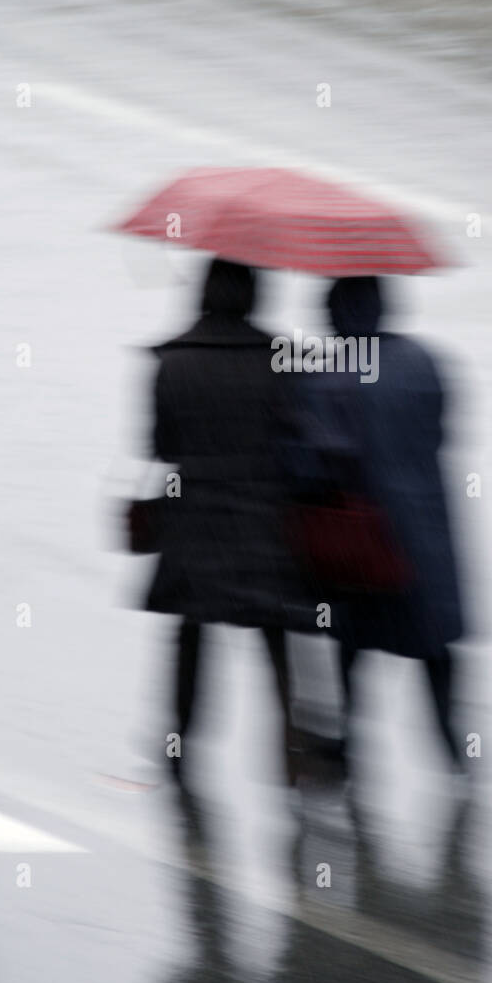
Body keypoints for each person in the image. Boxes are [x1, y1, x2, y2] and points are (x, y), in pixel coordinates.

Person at [143, 257, 311, 781]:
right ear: (256, 294)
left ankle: (178, 750)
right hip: (266, 526)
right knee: (278, 643)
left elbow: (157, 445)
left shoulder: (173, 360)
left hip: (193, 526)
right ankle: (292, 755)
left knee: (191, 640)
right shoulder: (281, 358)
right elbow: (301, 446)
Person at [312, 276, 467, 767]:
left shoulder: (332, 372)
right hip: (428, 529)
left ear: (337, 314)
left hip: (365, 538)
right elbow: (443, 432)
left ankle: (350, 741)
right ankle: (452, 746)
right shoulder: (427, 361)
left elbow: (320, 459)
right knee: (433, 643)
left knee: (354, 640)